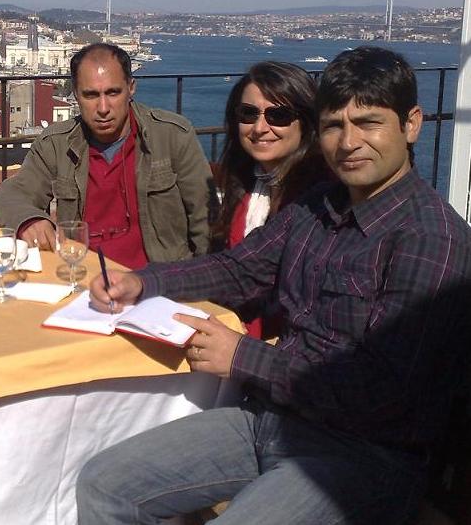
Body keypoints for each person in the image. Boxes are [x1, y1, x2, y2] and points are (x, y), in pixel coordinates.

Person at [76, 46, 471, 524]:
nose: (348, 142)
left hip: (362, 455)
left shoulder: (430, 239)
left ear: (411, 124)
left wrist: (244, 357)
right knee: (104, 483)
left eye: (368, 123)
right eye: (334, 125)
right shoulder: (320, 205)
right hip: (274, 420)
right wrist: (141, 281)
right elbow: (239, 269)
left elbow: (384, 394)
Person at [0, 43, 212, 269]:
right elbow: (10, 194)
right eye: (91, 95)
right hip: (83, 274)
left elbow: (206, 218)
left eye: (113, 92)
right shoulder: (56, 144)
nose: (103, 108)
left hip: (159, 279)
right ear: (76, 94)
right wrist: (29, 220)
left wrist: (202, 281)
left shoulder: (172, 136)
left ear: (131, 88)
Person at [212, 61, 330, 338]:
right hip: (235, 329)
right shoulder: (245, 182)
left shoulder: (320, 199)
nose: (259, 128)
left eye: (279, 115)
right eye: (248, 113)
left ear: (307, 122)